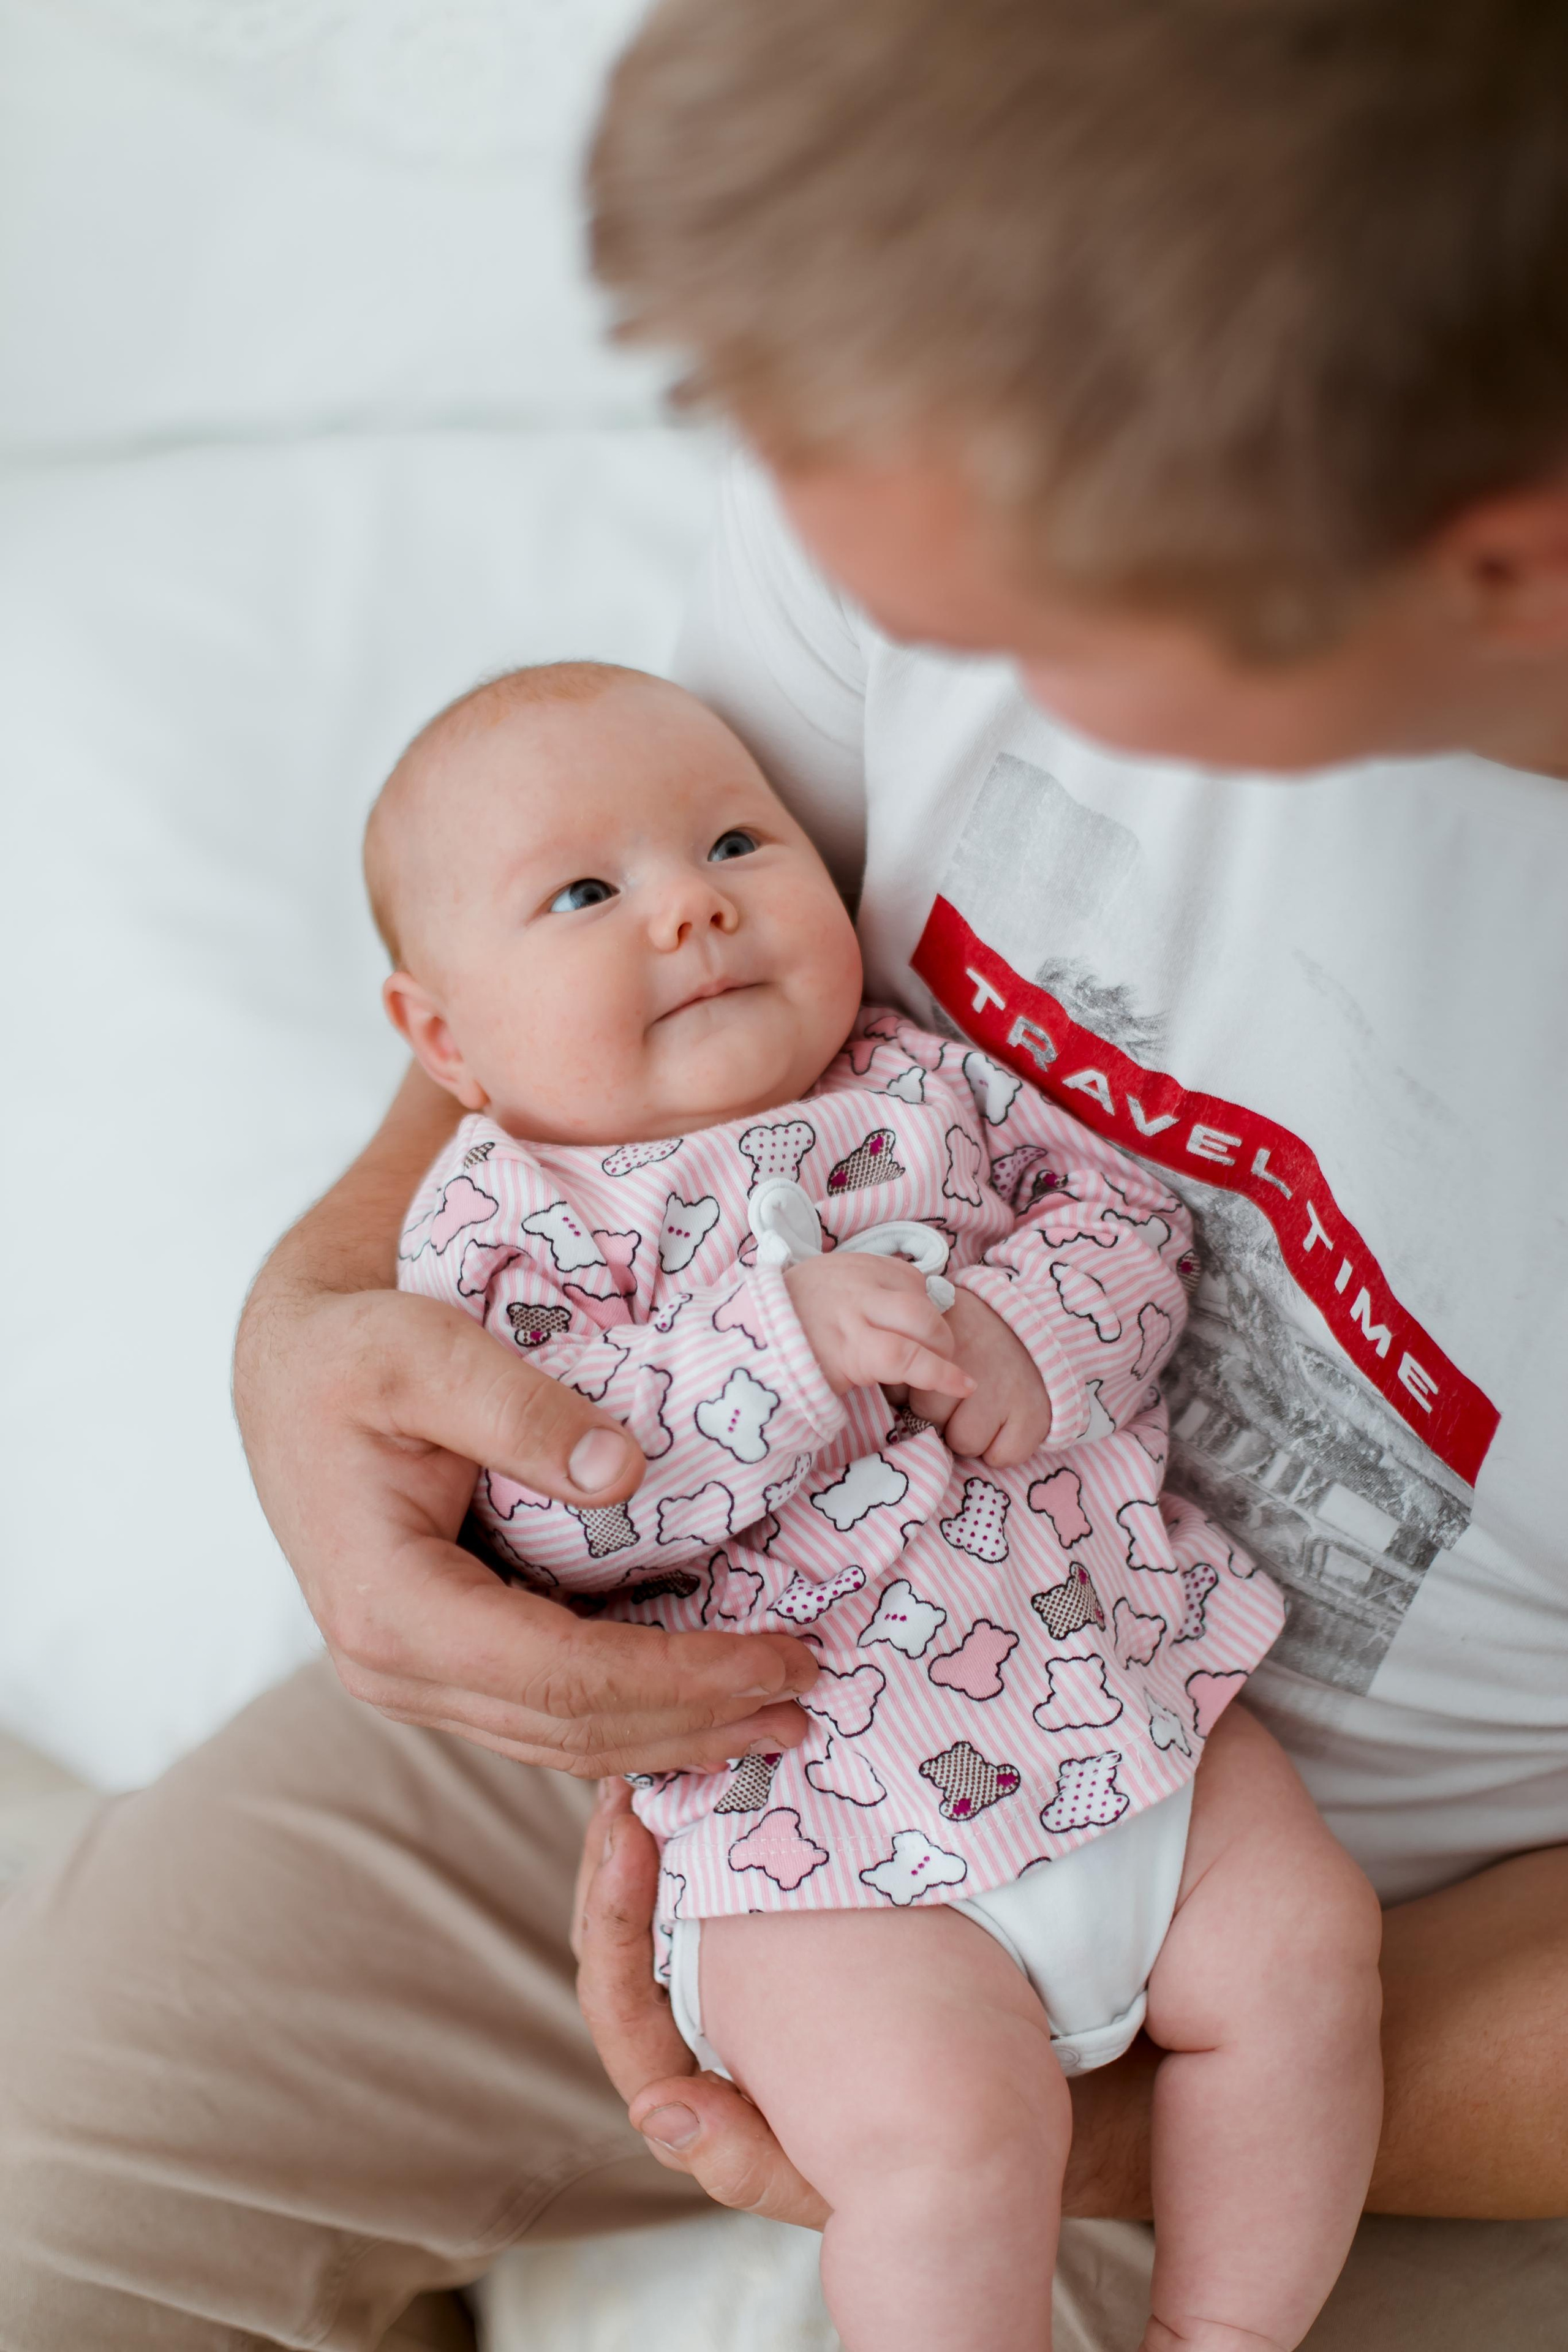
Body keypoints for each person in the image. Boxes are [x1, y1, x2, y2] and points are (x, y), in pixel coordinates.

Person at [0, 2, 1564, 2346]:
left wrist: (1024, 2112)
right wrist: (319, 1316)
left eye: (985, 629)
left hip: (1410, 1958)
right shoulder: (949, 381)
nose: (885, 643)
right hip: (712, 1705)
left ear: (1500, 573)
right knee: (57, 2200)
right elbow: (578, 988)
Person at [371, 656, 1354, 2352]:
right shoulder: (500, 1236)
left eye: (739, 846)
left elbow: (1132, 1227)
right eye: (591, 893)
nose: (691, 909)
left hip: (1128, 1697)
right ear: (445, 1036)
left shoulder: (925, 1082)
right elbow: (559, 1516)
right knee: (949, 2151)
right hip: (822, 1845)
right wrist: (782, 1342)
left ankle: (1225, 2336)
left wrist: (1028, 1335)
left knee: (1307, 1956)